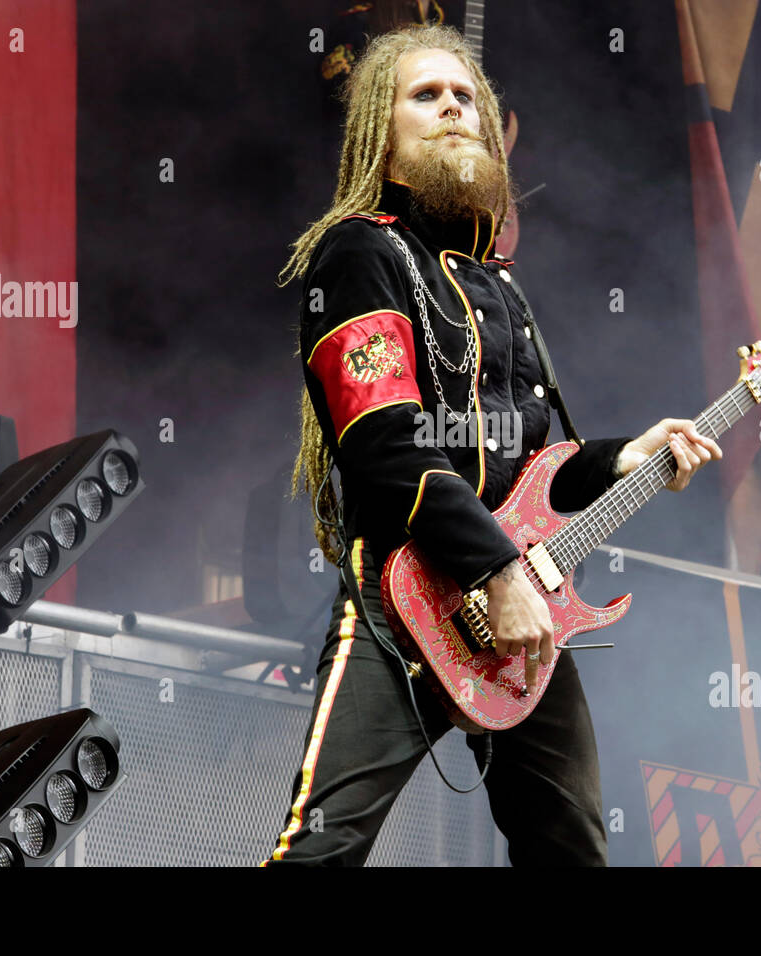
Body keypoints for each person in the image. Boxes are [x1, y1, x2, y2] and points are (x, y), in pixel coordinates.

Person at [261, 23, 721, 866]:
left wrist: (625, 455)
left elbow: (536, 467)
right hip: (401, 602)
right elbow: (384, 442)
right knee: (320, 850)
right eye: (425, 96)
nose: (452, 109)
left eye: (466, 96)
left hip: (519, 613)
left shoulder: (500, 285)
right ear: (381, 132)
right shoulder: (360, 251)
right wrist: (496, 573)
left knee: (573, 848)